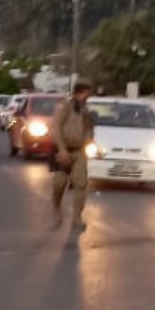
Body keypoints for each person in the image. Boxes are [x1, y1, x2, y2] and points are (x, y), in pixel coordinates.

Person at [50, 80, 97, 232]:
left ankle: (77, 216)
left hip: (79, 152)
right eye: (86, 94)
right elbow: (56, 128)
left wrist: (92, 144)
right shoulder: (65, 107)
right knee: (59, 183)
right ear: (78, 93)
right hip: (63, 150)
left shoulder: (86, 110)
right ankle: (56, 208)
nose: (87, 97)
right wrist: (61, 149)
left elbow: (89, 130)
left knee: (81, 184)